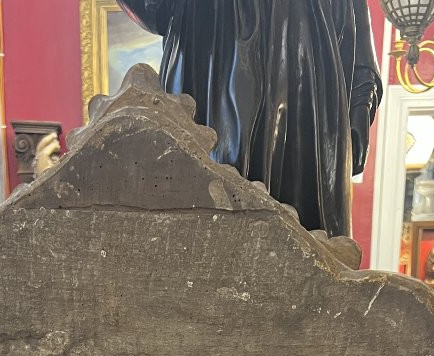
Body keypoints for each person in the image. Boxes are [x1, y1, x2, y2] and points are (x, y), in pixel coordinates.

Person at [119, 0, 382, 238]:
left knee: (306, 242)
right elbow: (152, 9)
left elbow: (355, 33)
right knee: (211, 229)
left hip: (307, 85)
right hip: (212, 71)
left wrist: (360, 105)